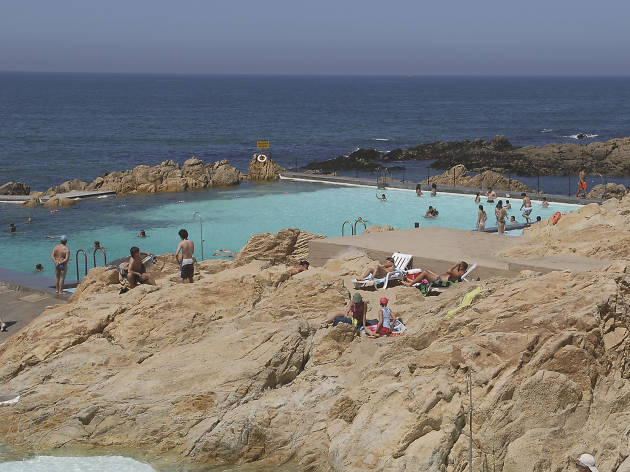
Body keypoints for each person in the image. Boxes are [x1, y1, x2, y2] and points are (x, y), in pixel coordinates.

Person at [403, 261, 469, 285]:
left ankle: (411, 283)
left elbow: (448, 271)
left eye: (459, 266)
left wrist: (456, 264)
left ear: (461, 268)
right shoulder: (460, 273)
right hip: (439, 278)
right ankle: (413, 281)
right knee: (428, 271)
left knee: (425, 272)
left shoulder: (459, 274)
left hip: (439, 281)